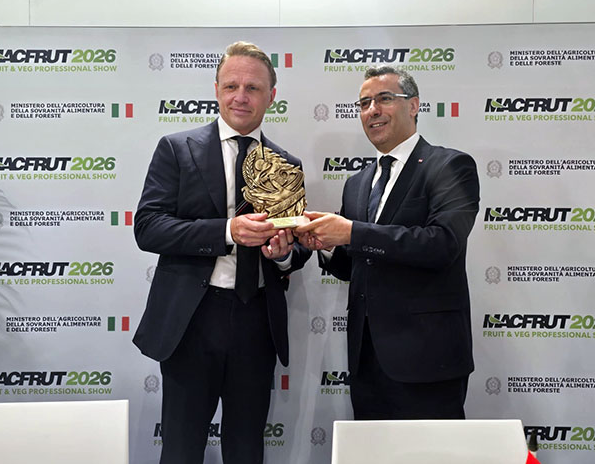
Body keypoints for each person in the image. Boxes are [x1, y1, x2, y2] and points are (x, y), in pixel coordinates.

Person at [133, 41, 311, 464]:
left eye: (253, 87)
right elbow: (148, 227)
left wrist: (283, 253)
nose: (241, 97)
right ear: (216, 90)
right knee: (181, 448)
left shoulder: (287, 165)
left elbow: (296, 248)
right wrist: (228, 231)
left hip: (256, 321)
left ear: (271, 95)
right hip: (191, 321)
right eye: (231, 86)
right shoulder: (176, 149)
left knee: (247, 448)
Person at [295, 66, 480, 420]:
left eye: (384, 99)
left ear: (414, 105)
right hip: (366, 359)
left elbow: (443, 244)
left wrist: (352, 232)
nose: (372, 110)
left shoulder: (450, 166)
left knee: (432, 449)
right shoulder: (357, 183)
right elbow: (355, 264)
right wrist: (326, 243)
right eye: (364, 103)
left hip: (428, 360)